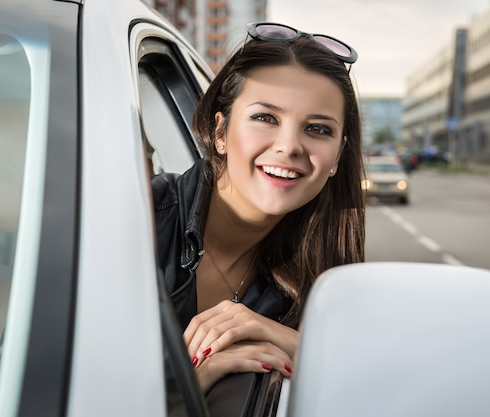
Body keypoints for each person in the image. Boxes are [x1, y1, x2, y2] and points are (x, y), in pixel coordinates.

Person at [152, 22, 366, 393]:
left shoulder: (322, 274)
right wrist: (189, 387)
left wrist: (277, 334)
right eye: (265, 118)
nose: (289, 146)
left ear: (337, 158)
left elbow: (366, 383)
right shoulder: (139, 219)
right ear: (220, 134)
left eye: (318, 129)